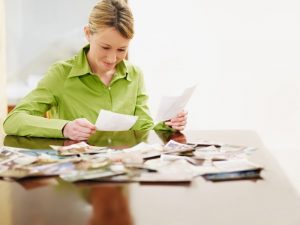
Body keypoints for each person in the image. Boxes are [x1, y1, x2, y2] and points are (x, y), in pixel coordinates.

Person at [3, 0, 187, 141]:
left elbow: (143, 127)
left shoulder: (135, 75)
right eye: (105, 47)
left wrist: (168, 125)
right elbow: (13, 121)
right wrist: (64, 128)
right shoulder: (61, 74)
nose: (112, 59)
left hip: (121, 176)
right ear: (88, 34)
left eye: (122, 50)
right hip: (77, 177)